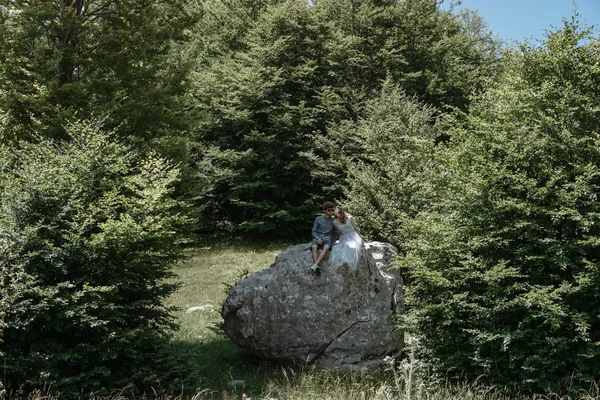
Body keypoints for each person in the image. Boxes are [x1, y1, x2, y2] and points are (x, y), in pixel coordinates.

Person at [329, 205, 364, 273]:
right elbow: (339, 232)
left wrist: (361, 238)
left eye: (336, 210)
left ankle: (346, 264)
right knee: (344, 246)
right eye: (334, 211)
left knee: (352, 247)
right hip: (344, 237)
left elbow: (355, 228)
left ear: (340, 211)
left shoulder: (349, 218)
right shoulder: (335, 222)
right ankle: (345, 263)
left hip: (353, 236)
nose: (334, 211)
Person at [310, 201, 337, 274]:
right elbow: (314, 231)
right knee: (314, 247)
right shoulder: (318, 219)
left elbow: (335, 234)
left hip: (328, 238)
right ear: (325, 210)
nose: (331, 211)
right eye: (329, 210)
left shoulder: (334, 221)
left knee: (327, 247)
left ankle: (315, 265)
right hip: (318, 237)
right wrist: (318, 238)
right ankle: (316, 266)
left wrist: (333, 242)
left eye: (332, 210)